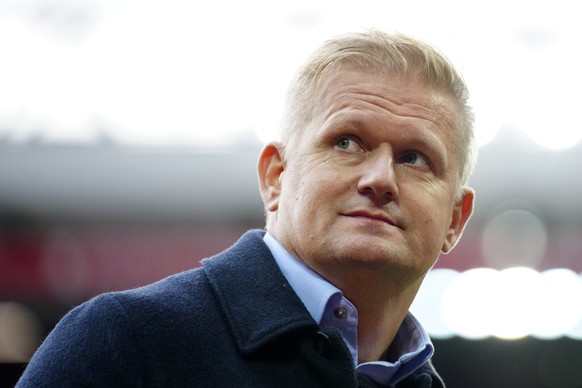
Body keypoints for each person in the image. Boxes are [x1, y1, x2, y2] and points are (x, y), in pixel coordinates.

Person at [17, 29, 476, 387]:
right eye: (347, 142)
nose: (379, 179)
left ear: (454, 220)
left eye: (414, 158)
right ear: (275, 177)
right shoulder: (124, 341)